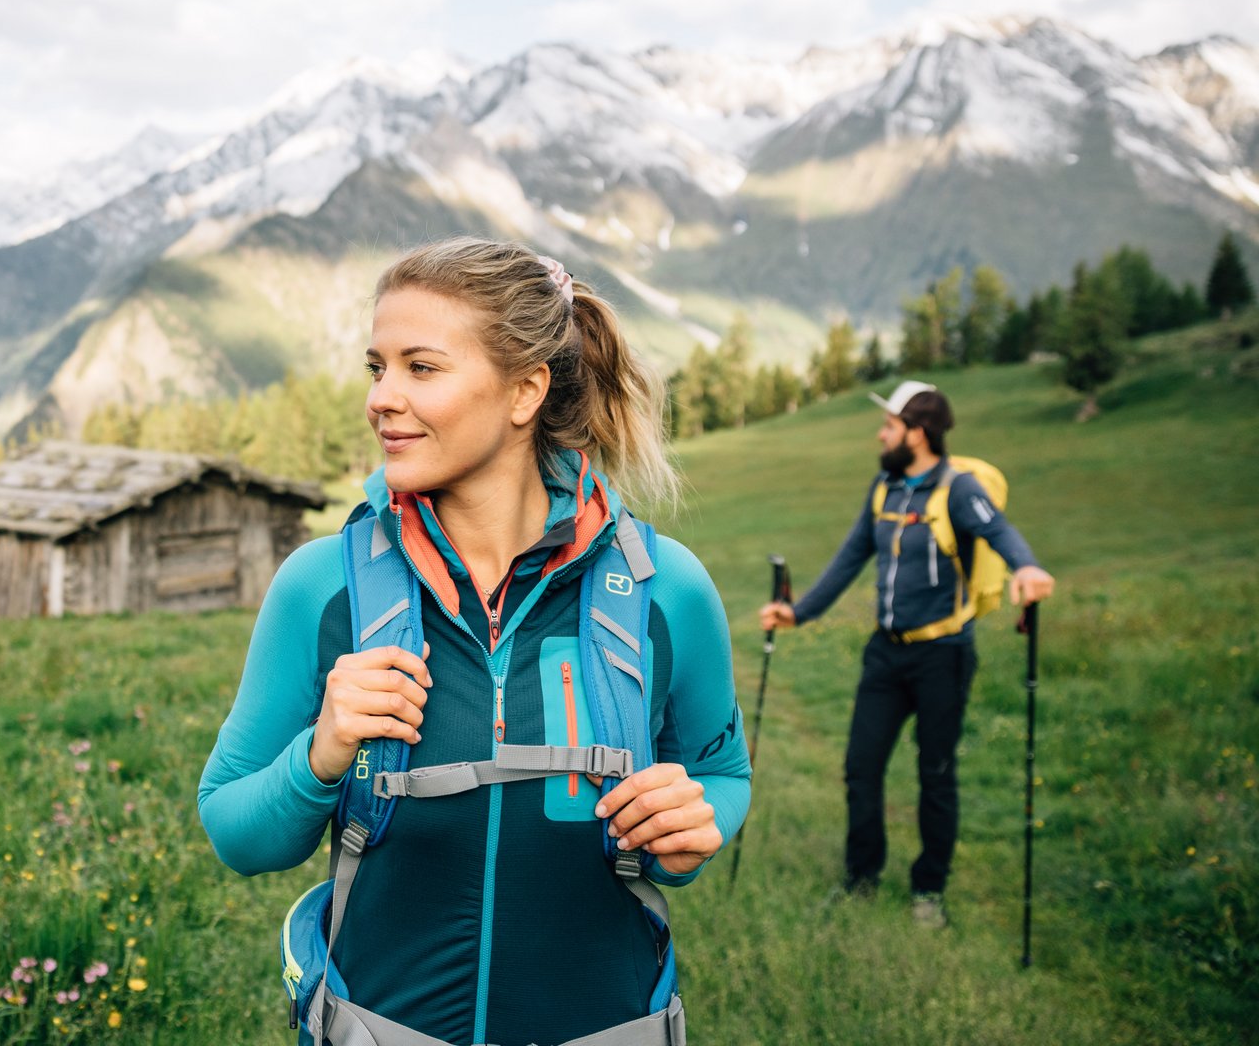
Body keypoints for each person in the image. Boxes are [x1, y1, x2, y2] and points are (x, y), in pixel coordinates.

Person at [198, 238, 750, 1046]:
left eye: (420, 368)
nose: (381, 399)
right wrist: (321, 755)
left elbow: (722, 774)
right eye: (375, 368)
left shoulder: (666, 591)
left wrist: (692, 824)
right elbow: (234, 830)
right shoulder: (324, 587)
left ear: (525, 391)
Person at [759, 379, 1056, 928]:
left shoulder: (958, 489)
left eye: (890, 426)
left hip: (944, 655)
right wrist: (798, 614)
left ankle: (929, 890)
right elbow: (850, 558)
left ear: (917, 434)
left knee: (935, 772)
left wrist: (1029, 568)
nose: (881, 434)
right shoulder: (885, 487)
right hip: (886, 656)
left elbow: (1002, 532)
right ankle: (861, 878)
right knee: (860, 768)